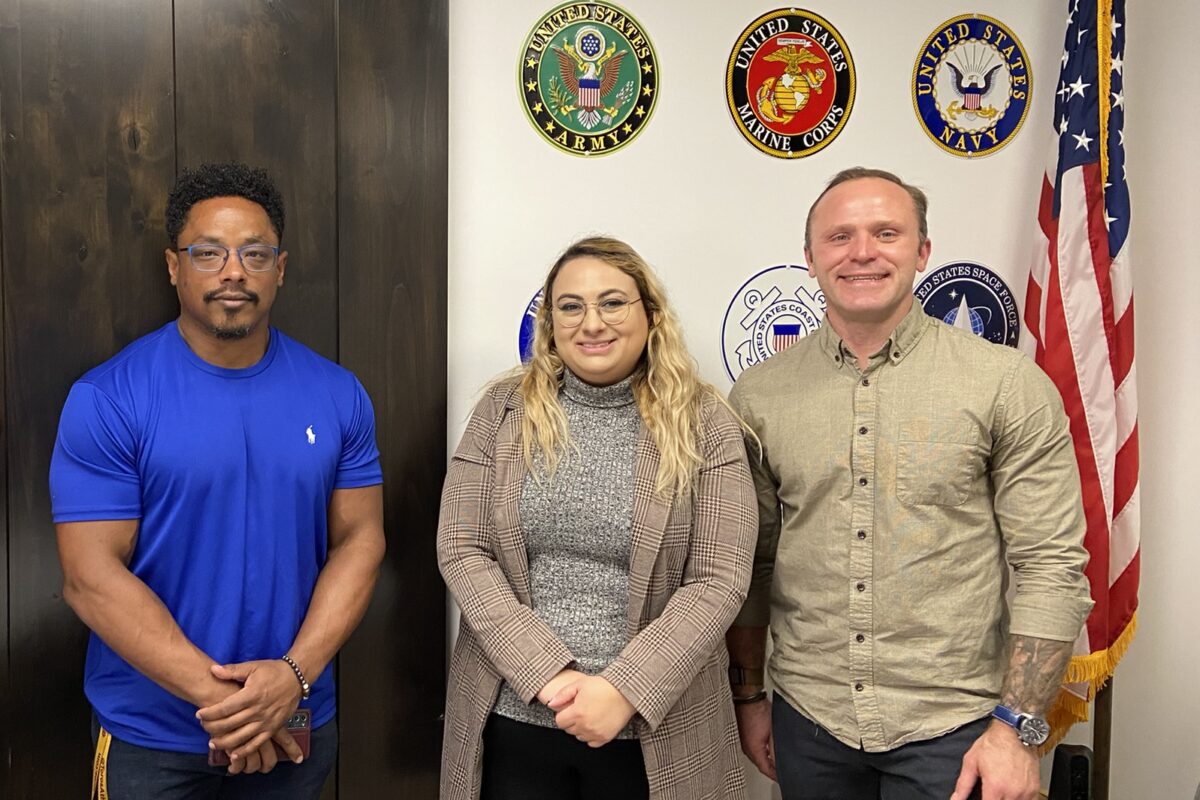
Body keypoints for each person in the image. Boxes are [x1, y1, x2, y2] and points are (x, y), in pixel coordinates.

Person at [726, 167, 1094, 800]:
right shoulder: (760, 395)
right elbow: (753, 563)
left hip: (958, 729)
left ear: (923, 251)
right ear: (809, 257)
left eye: (886, 232)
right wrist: (752, 695)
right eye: (839, 236)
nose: (862, 251)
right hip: (809, 718)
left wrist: (1017, 732)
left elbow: (1051, 565)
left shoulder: (1005, 383)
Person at [50, 162, 386, 798]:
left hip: (297, 723)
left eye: (254, 253)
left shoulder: (338, 395)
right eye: (209, 253)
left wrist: (291, 678)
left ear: (279, 268)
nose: (234, 271)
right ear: (174, 267)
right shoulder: (108, 398)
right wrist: (234, 710)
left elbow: (361, 542)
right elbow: (89, 577)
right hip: (154, 739)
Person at [437, 236, 758, 800]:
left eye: (612, 302)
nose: (592, 323)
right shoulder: (502, 411)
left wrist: (625, 691)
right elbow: (462, 548)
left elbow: (719, 577)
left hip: (660, 729)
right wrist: (547, 675)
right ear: (550, 322)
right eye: (570, 305)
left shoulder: (706, 422)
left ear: (650, 315)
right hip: (511, 718)